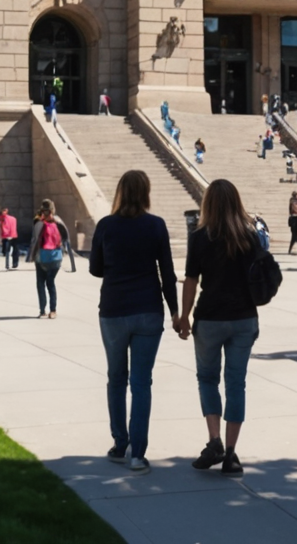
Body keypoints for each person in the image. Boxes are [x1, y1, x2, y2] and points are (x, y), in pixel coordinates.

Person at [89, 170, 180, 472]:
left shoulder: (106, 225)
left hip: (114, 309)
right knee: (142, 383)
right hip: (148, 310)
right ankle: (138, 454)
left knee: (117, 378)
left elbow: (95, 269)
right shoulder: (155, 226)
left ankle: (120, 443)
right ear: (146, 193)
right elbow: (167, 274)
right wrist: (177, 312)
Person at [179, 178, 263, 477]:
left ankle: (213, 440)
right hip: (243, 317)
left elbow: (191, 279)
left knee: (207, 379)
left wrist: (184, 315)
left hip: (210, 317)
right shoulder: (250, 236)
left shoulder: (201, 236)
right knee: (236, 383)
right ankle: (230, 452)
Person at [30, 199, 71, 318]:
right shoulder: (59, 222)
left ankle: (44, 311)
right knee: (50, 283)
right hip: (55, 258)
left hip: (43, 258)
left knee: (42, 284)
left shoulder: (39, 221)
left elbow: (34, 237)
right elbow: (66, 239)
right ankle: (52, 311)